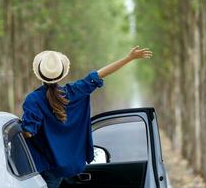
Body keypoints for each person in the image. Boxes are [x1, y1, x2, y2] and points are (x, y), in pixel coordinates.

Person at [21, 46, 153, 188]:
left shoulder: (33, 100)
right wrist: (129, 58)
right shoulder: (74, 91)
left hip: (47, 169)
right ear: (62, 74)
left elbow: (28, 132)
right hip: (71, 167)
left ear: (39, 74)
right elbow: (100, 74)